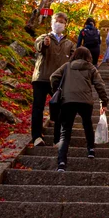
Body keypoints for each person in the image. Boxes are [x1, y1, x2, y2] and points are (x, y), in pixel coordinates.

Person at [50, 46, 109, 172]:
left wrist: (56, 90)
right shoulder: (91, 68)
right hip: (85, 101)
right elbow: (100, 85)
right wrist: (104, 101)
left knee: (65, 132)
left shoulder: (67, 66)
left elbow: (53, 77)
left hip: (68, 101)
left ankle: (61, 162)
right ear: (88, 57)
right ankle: (91, 149)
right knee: (87, 124)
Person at [31, 12, 75, 146]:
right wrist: (44, 44)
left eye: (62, 22)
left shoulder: (69, 44)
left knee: (60, 109)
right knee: (38, 107)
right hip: (41, 78)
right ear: (51, 23)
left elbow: (74, 59)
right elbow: (38, 46)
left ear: (65, 24)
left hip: (59, 81)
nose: (59, 23)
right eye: (57, 21)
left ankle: (58, 139)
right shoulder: (44, 37)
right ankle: (36, 136)